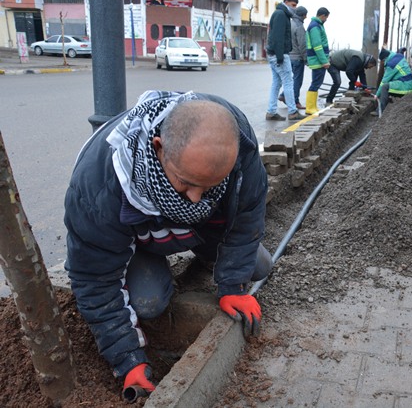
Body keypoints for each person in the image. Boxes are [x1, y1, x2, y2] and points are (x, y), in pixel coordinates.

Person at [64, 90, 273, 398]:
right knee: (149, 303)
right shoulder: (99, 188)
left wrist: (233, 285)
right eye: (186, 182)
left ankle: (205, 254)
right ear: (158, 148)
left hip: (200, 231)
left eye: (211, 186)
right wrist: (126, 358)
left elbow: (247, 216)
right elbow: (94, 278)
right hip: (141, 242)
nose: (196, 198)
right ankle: (156, 262)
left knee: (259, 266)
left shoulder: (238, 147)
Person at [265, 0, 305, 121]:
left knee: (276, 83)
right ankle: (293, 112)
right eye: (293, 5)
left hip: (274, 55)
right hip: (279, 55)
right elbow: (278, 37)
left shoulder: (281, 14)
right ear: (286, 2)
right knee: (288, 82)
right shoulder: (281, 15)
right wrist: (280, 56)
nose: (294, 8)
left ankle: (271, 112)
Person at [278, 6, 308, 110]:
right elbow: (302, 44)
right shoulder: (299, 26)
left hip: (288, 56)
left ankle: (283, 95)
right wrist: (306, 59)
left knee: (289, 80)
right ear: (303, 15)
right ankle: (295, 101)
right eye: (305, 15)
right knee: (297, 80)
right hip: (297, 58)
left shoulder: (289, 23)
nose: (306, 17)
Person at [304, 7, 330, 115]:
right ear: (323, 15)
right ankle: (310, 108)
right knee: (315, 83)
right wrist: (324, 61)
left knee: (317, 83)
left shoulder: (317, 25)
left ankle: (313, 106)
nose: (326, 20)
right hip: (317, 60)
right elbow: (317, 46)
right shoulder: (315, 26)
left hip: (317, 59)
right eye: (326, 17)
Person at [375, 48, 412, 113]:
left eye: (382, 61)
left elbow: (384, 81)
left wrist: (377, 95)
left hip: (405, 86)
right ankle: (389, 106)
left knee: (384, 87)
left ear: (384, 59)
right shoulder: (397, 57)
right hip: (410, 85)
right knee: (389, 85)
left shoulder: (391, 64)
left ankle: (380, 111)